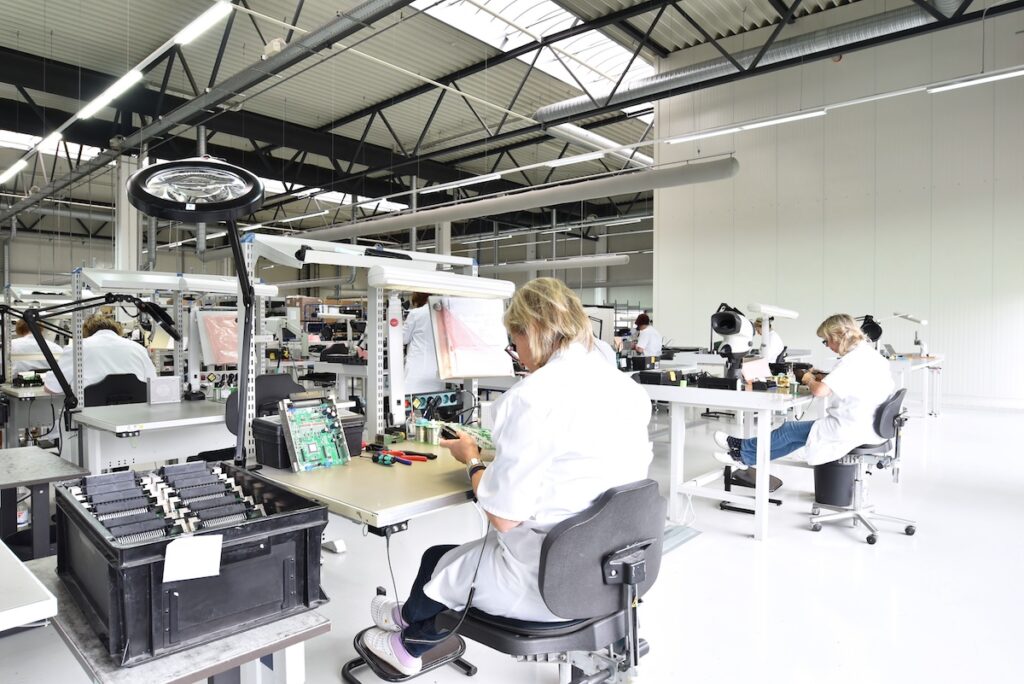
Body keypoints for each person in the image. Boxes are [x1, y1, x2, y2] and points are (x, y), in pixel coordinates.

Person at [360, 277, 654, 675]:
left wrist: (471, 460)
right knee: (444, 562)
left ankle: (406, 646)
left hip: (544, 577)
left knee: (436, 562)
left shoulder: (532, 396)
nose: (516, 353)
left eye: (515, 341)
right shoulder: (627, 389)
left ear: (532, 330)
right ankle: (406, 618)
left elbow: (503, 516)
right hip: (611, 568)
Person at [713, 313, 895, 469]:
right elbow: (851, 381)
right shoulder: (869, 355)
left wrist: (807, 378)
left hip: (853, 426)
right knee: (793, 438)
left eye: (826, 341)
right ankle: (745, 458)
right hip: (869, 423)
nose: (827, 346)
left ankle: (741, 450)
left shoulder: (851, 361)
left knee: (788, 430)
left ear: (838, 336)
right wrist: (826, 376)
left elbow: (820, 391)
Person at [43, 314, 158, 395]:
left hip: (90, 419)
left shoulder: (78, 347)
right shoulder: (138, 348)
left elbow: (52, 388)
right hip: (135, 417)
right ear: (118, 330)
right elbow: (154, 384)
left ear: (86, 331)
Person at [403, 292, 444, 395]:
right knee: (432, 406)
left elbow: (403, 339)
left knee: (410, 405)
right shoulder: (442, 313)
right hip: (437, 373)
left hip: (417, 372)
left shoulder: (416, 314)